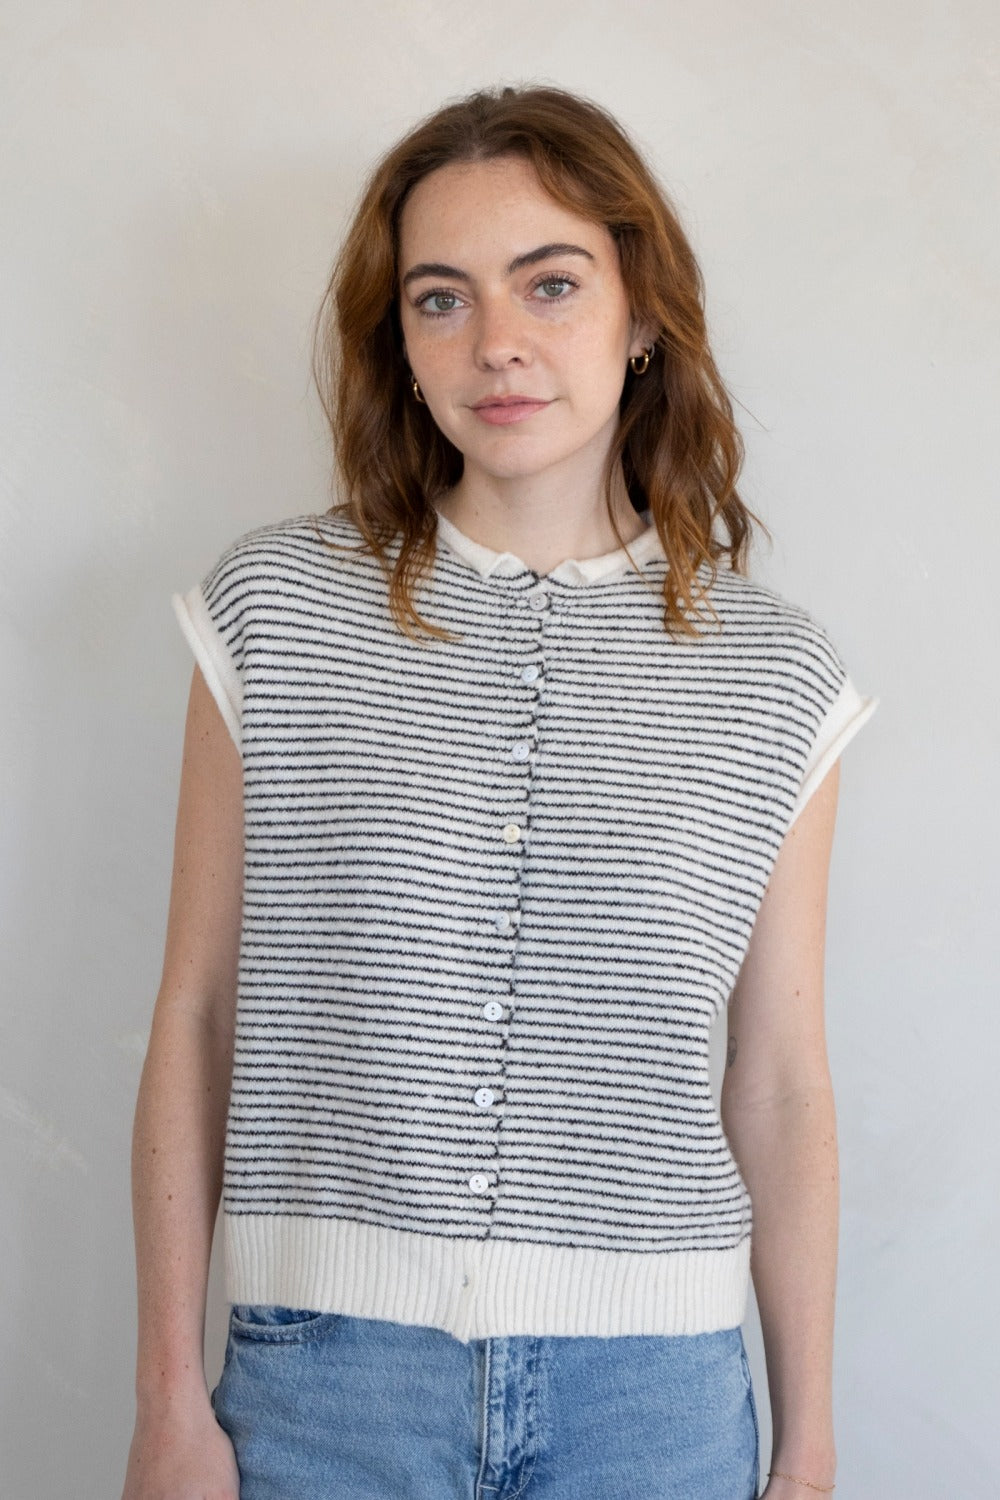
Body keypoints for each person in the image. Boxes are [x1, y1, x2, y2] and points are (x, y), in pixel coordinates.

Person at [122, 84, 876, 1500]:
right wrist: (169, 1395)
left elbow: (778, 1080)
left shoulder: (778, 677)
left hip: (654, 1404)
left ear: (642, 311)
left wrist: (811, 1446)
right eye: (440, 299)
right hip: (323, 1387)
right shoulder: (275, 613)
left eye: (550, 283)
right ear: (399, 341)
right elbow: (198, 1011)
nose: (499, 345)